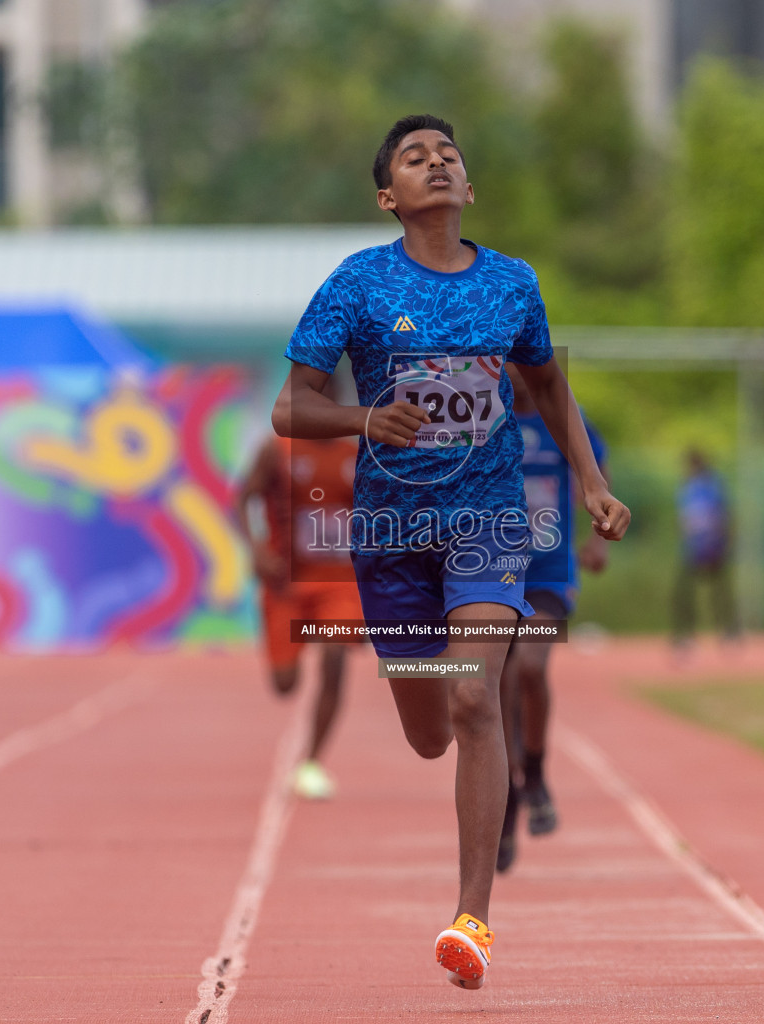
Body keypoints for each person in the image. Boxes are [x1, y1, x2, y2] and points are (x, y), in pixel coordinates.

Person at [270, 113, 630, 990]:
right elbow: (290, 408)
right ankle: (434, 715)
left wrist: (589, 483)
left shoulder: (513, 284)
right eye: (415, 159)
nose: (438, 164)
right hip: (393, 536)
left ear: (468, 187)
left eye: (449, 155)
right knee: (431, 731)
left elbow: (547, 383)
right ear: (389, 197)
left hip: (487, 520)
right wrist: (365, 418)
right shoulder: (356, 284)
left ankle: (473, 920)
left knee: (475, 695)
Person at [495, 369, 609, 872]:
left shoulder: (565, 419)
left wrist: (595, 535)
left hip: (548, 573)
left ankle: (535, 773)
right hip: (491, 573)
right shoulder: (482, 420)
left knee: (530, 667)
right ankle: (503, 801)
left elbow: (596, 477)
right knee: (494, 688)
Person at [235, 425, 363, 799]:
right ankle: (303, 640)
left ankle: (312, 762)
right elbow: (244, 497)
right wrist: (257, 549)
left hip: (341, 584)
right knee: (284, 683)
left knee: (335, 660)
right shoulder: (276, 450)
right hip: (287, 586)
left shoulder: (357, 456)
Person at [671, 448, 739, 654]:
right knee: (686, 594)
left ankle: (728, 631)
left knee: (719, 593)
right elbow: (684, 521)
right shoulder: (687, 488)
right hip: (693, 549)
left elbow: (725, 515)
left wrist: (724, 543)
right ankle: (686, 634)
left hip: (713, 546)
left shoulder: (713, 485)